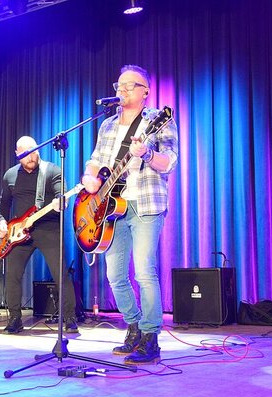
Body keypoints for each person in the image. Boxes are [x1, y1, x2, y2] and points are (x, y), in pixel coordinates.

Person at [81, 65, 178, 364]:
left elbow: (169, 162)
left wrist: (146, 153)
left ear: (145, 91)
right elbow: (96, 160)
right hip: (112, 208)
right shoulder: (108, 125)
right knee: (115, 275)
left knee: (145, 271)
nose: (121, 90)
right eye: (118, 85)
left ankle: (151, 337)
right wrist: (89, 177)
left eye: (129, 85)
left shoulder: (158, 121)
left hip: (146, 204)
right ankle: (134, 327)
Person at [0, 136, 78, 334]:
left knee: (60, 274)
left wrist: (61, 203)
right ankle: (15, 319)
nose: (31, 157)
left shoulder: (51, 171)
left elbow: (62, 197)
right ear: (17, 155)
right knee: (13, 275)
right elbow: (4, 204)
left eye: (34, 152)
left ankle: (70, 318)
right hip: (18, 232)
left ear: (39, 150)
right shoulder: (10, 175)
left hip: (48, 229)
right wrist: (2, 222)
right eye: (25, 154)